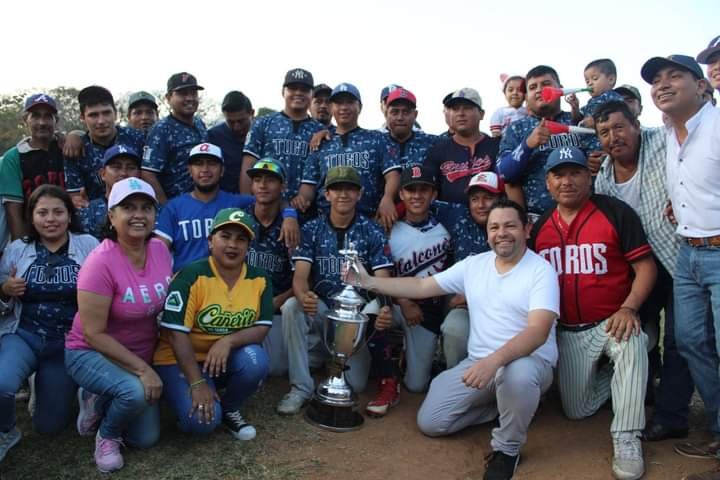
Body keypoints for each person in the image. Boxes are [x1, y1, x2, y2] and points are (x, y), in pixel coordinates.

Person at [344, 199, 559, 480]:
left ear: (526, 229)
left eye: (510, 226)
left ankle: (506, 449)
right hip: (481, 364)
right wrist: (368, 281)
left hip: (528, 363)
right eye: (494, 227)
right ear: (487, 233)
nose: (501, 233)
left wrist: (494, 361)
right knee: (432, 422)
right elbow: (421, 285)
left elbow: (537, 332)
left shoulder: (541, 270)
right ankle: (512, 407)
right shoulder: (474, 266)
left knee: (517, 375)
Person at [531, 146, 656, 480]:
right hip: (568, 330)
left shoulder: (615, 212)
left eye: (575, 172)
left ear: (590, 177)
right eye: (559, 174)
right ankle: (627, 376)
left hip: (610, 320)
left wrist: (629, 307)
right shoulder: (541, 225)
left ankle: (627, 435)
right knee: (577, 410)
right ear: (548, 182)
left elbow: (645, 267)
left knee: (630, 342)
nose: (567, 181)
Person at [592, 101, 693, 442]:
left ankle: (672, 416)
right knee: (635, 329)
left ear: (636, 125)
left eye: (619, 128)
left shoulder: (663, 141)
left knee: (680, 340)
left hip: (680, 259)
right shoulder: (603, 177)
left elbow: (694, 159)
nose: (613, 137)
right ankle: (642, 392)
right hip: (640, 267)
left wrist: (685, 197)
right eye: (604, 132)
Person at [641, 54, 720, 480]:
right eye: (656, 79)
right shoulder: (669, 134)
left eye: (675, 76)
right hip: (688, 252)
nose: (663, 84)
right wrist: (680, 200)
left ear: (701, 85)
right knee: (690, 342)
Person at [64, 177, 172, 473]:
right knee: (136, 393)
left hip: (140, 351)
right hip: (91, 352)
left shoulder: (161, 250)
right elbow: (93, 333)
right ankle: (106, 435)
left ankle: (101, 401)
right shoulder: (100, 263)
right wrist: (143, 370)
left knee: (145, 439)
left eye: (146, 208)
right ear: (112, 216)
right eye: (128, 208)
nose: (139, 215)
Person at [277, 166, 393, 415]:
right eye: (336, 188)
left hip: (353, 322)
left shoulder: (371, 231)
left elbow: (383, 278)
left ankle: (327, 360)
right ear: (326, 194)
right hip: (323, 313)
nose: (343, 194)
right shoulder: (311, 229)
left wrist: (384, 307)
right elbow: (300, 277)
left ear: (359, 194)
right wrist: (303, 296)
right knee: (292, 307)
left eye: (349, 189)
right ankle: (301, 387)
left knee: (358, 384)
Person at [0, 185, 98, 463]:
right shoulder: (17, 250)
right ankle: (6, 430)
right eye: (42, 212)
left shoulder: (88, 245)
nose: (50, 219)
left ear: (69, 215)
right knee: (1, 385)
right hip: (24, 334)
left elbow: (105, 290)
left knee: (49, 426)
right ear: (32, 217)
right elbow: (2, 303)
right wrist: (5, 289)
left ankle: (63, 385)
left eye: (58, 211)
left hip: (67, 341)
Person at [154, 208, 271, 440]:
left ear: (248, 246)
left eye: (241, 239)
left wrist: (229, 341)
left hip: (221, 358)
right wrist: (197, 383)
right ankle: (186, 398)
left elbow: (262, 327)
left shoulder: (259, 278)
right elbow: (176, 335)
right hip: (177, 359)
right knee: (202, 423)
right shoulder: (190, 275)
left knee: (255, 361)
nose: (232, 245)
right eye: (225, 236)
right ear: (210, 241)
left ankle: (228, 408)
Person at [363, 165, 450, 418]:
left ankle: (417, 359)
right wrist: (402, 300)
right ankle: (388, 382)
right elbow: (379, 276)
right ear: (401, 195)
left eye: (423, 190)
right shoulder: (389, 230)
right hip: (398, 304)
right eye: (410, 190)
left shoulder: (446, 231)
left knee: (417, 385)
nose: (417, 196)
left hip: (428, 312)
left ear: (433, 194)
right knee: (372, 312)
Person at [155, 143, 298, 273]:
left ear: (222, 170)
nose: (205, 169)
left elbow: (270, 198)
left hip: (223, 283)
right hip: (184, 280)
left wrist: (290, 215)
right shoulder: (173, 207)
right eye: (198, 164)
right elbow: (158, 251)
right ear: (190, 170)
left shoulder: (238, 203)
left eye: (212, 164)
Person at [496, 65, 599, 221]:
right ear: (527, 96)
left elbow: (603, 157)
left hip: (586, 215)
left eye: (546, 84)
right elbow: (503, 173)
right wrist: (527, 145)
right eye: (532, 87)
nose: (539, 90)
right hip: (537, 221)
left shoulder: (581, 120)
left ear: (562, 89)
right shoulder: (516, 129)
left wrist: (599, 160)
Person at [298, 83, 401, 231]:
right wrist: (298, 203)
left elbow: (392, 175)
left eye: (350, 102)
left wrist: (388, 198)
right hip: (327, 225)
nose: (344, 108)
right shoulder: (321, 143)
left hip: (368, 223)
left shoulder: (377, 139)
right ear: (331, 107)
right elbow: (308, 185)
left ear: (360, 107)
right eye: (338, 103)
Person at [440, 171, 505, 368]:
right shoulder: (458, 215)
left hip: (502, 307)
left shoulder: (512, 225)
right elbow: (418, 201)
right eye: (475, 199)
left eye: (488, 198)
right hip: (463, 308)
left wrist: (474, 296)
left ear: (501, 199)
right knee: (454, 329)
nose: (481, 204)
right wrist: (390, 206)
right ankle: (457, 384)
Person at [241, 68, 324, 201]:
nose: (298, 93)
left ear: (312, 94)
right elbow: (248, 165)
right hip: (267, 207)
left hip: (307, 209)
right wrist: (246, 202)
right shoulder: (263, 123)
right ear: (283, 92)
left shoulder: (320, 130)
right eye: (293, 88)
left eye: (304, 89)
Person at [244, 159, 295, 376]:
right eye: (257, 180)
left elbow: (305, 278)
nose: (263, 185)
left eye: (270, 180)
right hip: (240, 304)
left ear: (283, 186)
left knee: (274, 369)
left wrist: (277, 301)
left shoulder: (293, 226)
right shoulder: (240, 218)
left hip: (275, 307)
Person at [64, 86, 145, 205]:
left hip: (138, 208)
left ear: (115, 114)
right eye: (93, 115)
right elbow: (76, 198)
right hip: (97, 216)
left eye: (106, 113)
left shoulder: (138, 139)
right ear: (82, 117)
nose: (101, 121)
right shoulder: (76, 149)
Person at [0, 94, 65, 240]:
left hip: (69, 234)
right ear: (25, 120)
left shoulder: (66, 149)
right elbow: (13, 210)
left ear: (56, 121)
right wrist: (21, 249)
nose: (42, 122)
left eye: (48, 116)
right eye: (35, 116)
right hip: (32, 236)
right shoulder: (14, 157)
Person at [423, 88, 500, 204]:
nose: (460, 113)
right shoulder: (437, 150)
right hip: (449, 219)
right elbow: (428, 192)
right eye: (455, 109)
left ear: (481, 114)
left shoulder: (497, 146)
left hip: (491, 219)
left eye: (467, 108)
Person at [142, 72, 208, 204]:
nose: (189, 98)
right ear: (168, 97)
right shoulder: (162, 129)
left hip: (203, 203)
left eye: (193, 93)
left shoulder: (199, 123)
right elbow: (148, 173)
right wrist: (167, 209)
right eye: (183, 93)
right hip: (177, 205)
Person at [77, 144, 142, 239]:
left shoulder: (150, 209)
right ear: (103, 174)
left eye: (131, 168)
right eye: (116, 167)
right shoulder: (89, 211)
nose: (124, 173)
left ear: (139, 175)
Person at [208, 91, 255, 193]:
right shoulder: (213, 137)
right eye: (231, 122)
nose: (236, 127)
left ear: (252, 113)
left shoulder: (263, 135)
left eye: (241, 121)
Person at [382, 88, 438, 169]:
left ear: (415, 115)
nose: (400, 118)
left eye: (406, 112)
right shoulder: (375, 144)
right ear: (386, 114)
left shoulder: (433, 143)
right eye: (395, 112)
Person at [568, 59, 625, 128]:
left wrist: (596, 121)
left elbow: (618, 115)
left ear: (611, 79)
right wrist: (575, 108)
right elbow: (578, 120)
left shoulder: (613, 97)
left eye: (595, 78)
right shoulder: (590, 102)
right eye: (587, 81)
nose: (590, 83)